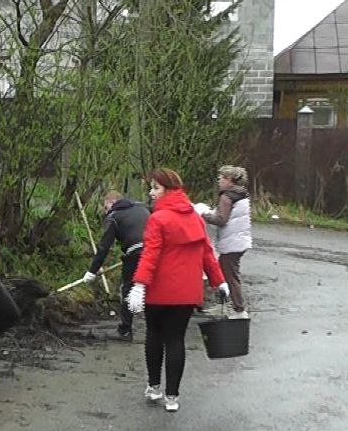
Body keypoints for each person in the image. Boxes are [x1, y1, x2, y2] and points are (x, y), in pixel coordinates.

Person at [127, 168, 229, 413]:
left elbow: (150, 254)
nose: (151, 193)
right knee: (176, 340)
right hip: (186, 293)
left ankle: (154, 387)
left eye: (156, 188)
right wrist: (219, 281)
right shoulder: (194, 217)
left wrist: (139, 285)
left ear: (168, 190)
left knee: (154, 336)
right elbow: (207, 253)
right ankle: (172, 396)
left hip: (159, 291)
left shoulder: (158, 219)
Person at [82, 190, 149, 341]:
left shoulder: (114, 216)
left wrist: (92, 271)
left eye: (106, 207)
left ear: (112, 203)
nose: (106, 212)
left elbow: (104, 247)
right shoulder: (142, 209)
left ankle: (125, 331)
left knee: (128, 289)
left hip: (135, 252)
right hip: (156, 251)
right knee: (152, 289)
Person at [200, 165, 252, 319]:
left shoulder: (226, 197)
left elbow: (221, 220)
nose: (219, 181)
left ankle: (238, 310)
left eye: (221, 178)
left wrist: (204, 214)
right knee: (222, 272)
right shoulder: (242, 195)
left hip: (232, 242)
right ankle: (222, 305)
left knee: (229, 276)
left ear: (230, 180)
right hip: (240, 240)